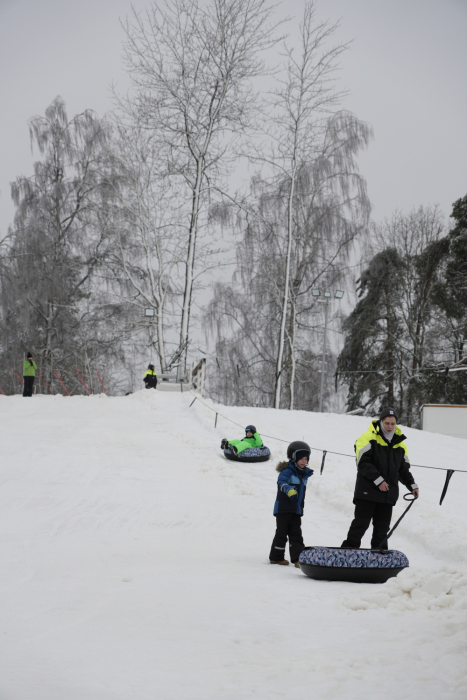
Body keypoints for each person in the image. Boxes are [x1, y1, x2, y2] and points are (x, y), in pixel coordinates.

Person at [341, 407, 419, 550]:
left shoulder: (401, 444)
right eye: (387, 423)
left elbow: (403, 470)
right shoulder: (367, 438)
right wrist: (379, 480)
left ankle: (379, 556)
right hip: (367, 492)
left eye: (393, 423)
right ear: (381, 421)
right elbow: (363, 463)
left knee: (382, 529)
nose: (390, 426)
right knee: (360, 525)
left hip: (387, 495)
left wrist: (412, 486)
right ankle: (347, 553)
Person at [269, 441, 314, 567]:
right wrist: (288, 489)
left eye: (306, 459)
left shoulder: (303, 473)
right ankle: (276, 557)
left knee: (296, 534)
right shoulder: (287, 471)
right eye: (301, 458)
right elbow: (281, 482)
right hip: (283, 509)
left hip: (296, 509)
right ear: (292, 457)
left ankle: (298, 559)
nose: (304, 461)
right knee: (281, 533)